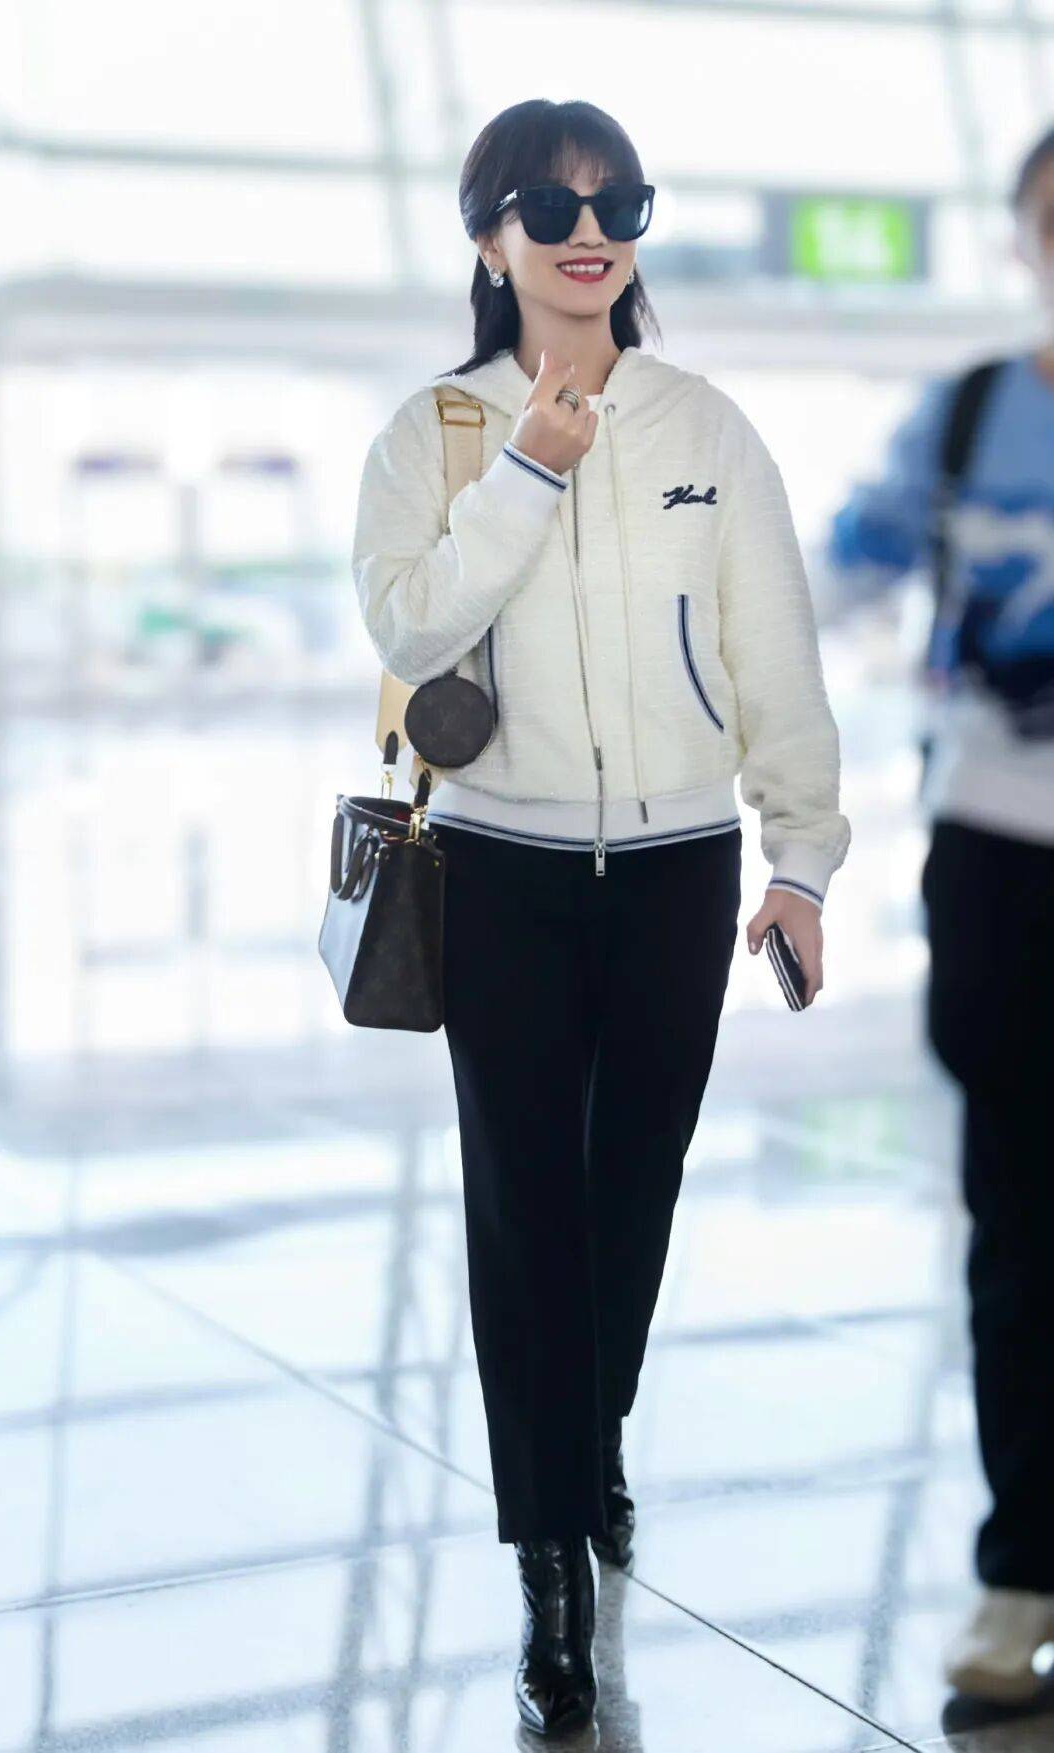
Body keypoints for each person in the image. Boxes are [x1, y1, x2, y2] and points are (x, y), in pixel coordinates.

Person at [351, 98, 851, 1737]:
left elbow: (775, 651)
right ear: (490, 235)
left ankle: (590, 1431)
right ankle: (550, 1555)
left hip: (676, 865)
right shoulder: (431, 432)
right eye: (553, 206)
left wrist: (800, 859)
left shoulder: (707, 426)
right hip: (496, 868)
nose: (590, 233)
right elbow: (410, 628)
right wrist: (525, 474)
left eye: (618, 203)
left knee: (632, 1187)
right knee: (523, 1209)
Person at [820, 123, 1054, 1706]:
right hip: (1002, 853)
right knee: (1024, 1224)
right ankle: (1023, 1566)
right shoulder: (968, 414)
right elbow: (832, 577)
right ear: (1024, 239)